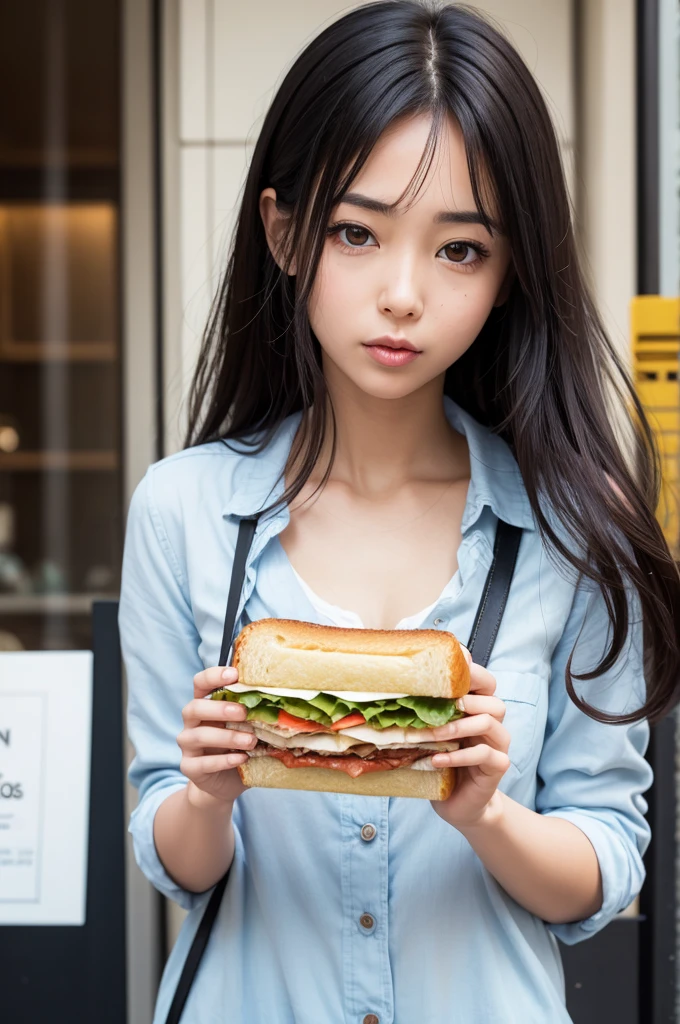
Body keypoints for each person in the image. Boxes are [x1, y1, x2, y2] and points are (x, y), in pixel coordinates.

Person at [119, 3, 680, 1021]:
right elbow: (177, 861)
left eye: (458, 249)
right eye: (355, 233)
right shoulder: (182, 510)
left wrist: (488, 815)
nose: (402, 294)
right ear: (285, 234)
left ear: (511, 269)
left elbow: (605, 860)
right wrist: (205, 795)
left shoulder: (574, 529)